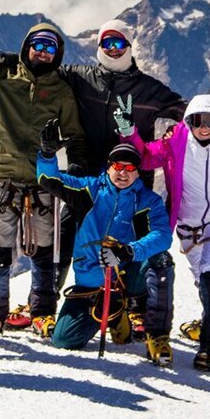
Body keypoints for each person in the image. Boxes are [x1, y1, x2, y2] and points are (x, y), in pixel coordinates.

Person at [59, 20, 185, 339]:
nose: (112, 50)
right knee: (72, 236)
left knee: (135, 244)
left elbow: (187, 113)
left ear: (130, 47)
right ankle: (56, 304)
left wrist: (168, 140)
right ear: (98, 47)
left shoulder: (149, 89)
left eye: (119, 44)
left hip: (133, 183)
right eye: (107, 44)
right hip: (92, 182)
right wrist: (1, 61)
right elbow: (40, 67)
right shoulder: (81, 77)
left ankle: (136, 309)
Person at [0, 24, 89, 338]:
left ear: (58, 55)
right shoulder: (3, 74)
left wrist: (77, 166)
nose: (42, 52)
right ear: (26, 46)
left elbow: (75, 134)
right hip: (4, 174)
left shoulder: (61, 91)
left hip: (43, 180)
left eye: (49, 48)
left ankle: (41, 312)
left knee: (44, 251)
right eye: (37, 45)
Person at [121, 94, 210, 370]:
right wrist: (129, 133)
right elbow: (145, 157)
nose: (204, 128)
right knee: (202, 276)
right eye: (197, 121)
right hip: (188, 224)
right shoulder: (176, 141)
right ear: (188, 121)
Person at [37, 138, 172, 353]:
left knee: (161, 259)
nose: (123, 173)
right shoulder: (89, 189)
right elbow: (49, 179)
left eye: (130, 168)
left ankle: (157, 334)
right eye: (118, 166)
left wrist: (129, 251)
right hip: (90, 283)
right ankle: (113, 315)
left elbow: (163, 235)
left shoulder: (148, 200)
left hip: (126, 278)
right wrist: (46, 155)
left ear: (137, 172)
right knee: (64, 339)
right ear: (108, 167)